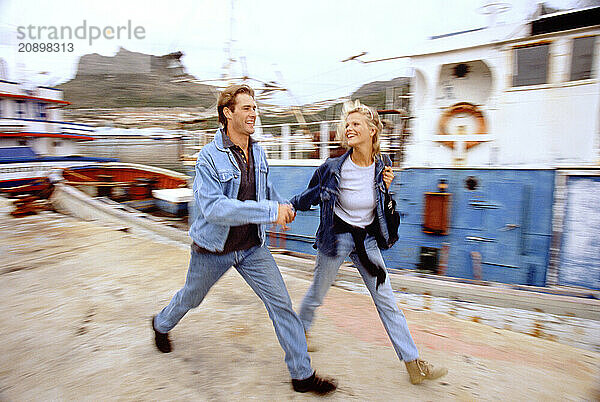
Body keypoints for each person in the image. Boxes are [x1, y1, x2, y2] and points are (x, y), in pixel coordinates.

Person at [151, 84, 336, 395]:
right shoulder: (208, 158)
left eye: (255, 108)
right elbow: (214, 209)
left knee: (281, 305)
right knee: (191, 298)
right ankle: (160, 323)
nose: (254, 113)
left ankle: (301, 375)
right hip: (214, 249)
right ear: (228, 113)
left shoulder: (259, 151)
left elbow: (265, 191)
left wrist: (284, 208)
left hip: (251, 248)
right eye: (247, 108)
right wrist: (269, 211)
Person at [290, 100, 448, 385]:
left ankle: (413, 364)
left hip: (367, 242)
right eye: (347, 125)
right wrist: (288, 207)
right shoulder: (332, 167)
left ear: (372, 130)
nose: (349, 129)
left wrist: (386, 190)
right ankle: (300, 334)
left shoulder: (384, 165)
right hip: (336, 238)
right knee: (317, 291)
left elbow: (384, 206)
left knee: (387, 302)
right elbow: (311, 194)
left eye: (355, 124)